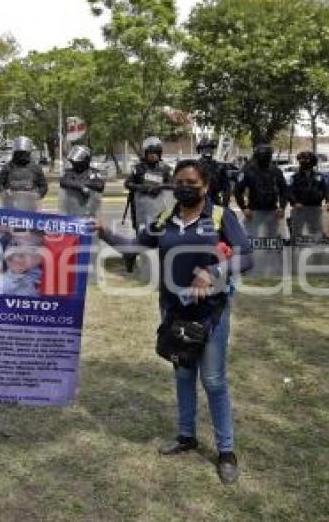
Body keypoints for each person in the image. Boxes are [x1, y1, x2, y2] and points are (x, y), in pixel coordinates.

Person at [101, 159, 253, 485]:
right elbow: (135, 246)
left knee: (213, 381)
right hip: (173, 311)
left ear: (206, 186)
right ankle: (186, 437)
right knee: (183, 375)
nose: (184, 187)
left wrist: (213, 272)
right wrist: (103, 231)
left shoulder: (220, 216)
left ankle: (226, 451)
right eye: (178, 182)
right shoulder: (165, 219)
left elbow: (247, 256)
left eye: (191, 182)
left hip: (211, 312)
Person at [123, 136, 173, 271]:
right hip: (141, 209)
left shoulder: (165, 169)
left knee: (161, 235)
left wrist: (161, 186)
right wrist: (142, 188)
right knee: (141, 235)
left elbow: (173, 185)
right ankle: (131, 257)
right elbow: (128, 183)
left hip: (160, 209)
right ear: (145, 154)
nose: (153, 156)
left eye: (156, 154)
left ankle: (160, 264)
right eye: (150, 154)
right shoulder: (138, 169)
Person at [233, 144, 287, 219]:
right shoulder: (248, 171)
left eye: (268, 155)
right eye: (263, 155)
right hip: (253, 210)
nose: (265, 158)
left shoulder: (276, 171)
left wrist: (282, 207)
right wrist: (244, 208)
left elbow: (284, 190)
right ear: (257, 156)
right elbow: (237, 190)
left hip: (272, 211)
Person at [59, 145, 105, 212]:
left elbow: (99, 185)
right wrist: (81, 186)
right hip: (71, 210)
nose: (74, 162)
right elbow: (64, 181)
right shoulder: (69, 172)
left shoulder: (93, 172)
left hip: (88, 210)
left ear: (86, 159)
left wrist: (85, 184)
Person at [196, 138, 231, 206]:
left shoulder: (219, 167)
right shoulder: (194, 166)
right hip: (198, 203)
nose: (208, 150)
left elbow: (227, 187)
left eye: (210, 148)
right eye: (205, 148)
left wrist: (225, 204)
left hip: (215, 202)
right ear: (200, 150)